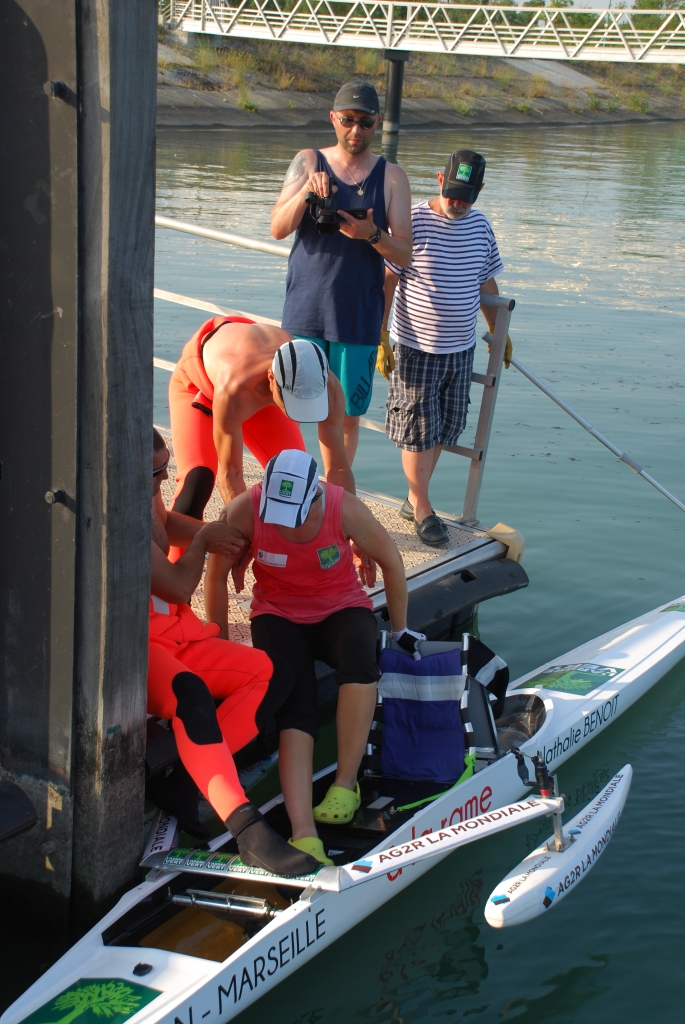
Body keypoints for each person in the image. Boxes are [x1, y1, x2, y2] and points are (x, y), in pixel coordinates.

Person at [204, 448, 425, 867]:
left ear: (315, 499)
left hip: (341, 607)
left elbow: (392, 563)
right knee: (295, 704)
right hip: (277, 614)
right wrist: (216, 642)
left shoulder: (345, 508)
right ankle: (303, 832)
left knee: (360, 665)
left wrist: (400, 630)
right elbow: (215, 576)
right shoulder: (245, 509)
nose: (281, 523)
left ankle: (346, 783)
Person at [148, 429, 319, 877]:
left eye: (166, 466)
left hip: (179, 631)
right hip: (138, 645)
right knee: (191, 695)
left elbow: (165, 524)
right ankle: (247, 829)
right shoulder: (111, 511)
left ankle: (189, 780)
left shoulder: (145, 495)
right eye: (155, 472)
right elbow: (179, 584)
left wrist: (216, 532)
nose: (165, 477)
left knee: (273, 675)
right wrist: (205, 544)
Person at [270, 81, 412, 463]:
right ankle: (294, 488)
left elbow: (405, 251)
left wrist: (372, 235)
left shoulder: (392, 177)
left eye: (365, 122)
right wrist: (306, 194)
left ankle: (336, 498)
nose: (356, 131)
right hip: (305, 311)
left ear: (377, 122)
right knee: (291, 410)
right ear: (333, 118)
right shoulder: (308, 161)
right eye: (347, 120)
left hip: (358, 316)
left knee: (346, 417)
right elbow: (278, 228)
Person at [382, 150, 511, 547]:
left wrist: (498, 331)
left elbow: (486, 282)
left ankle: (413, 499)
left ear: (480, 192)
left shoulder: (481, 227)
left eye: (466, 197)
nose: (457, 203)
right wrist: (379, 336)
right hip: (417, 345)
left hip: (460, 348)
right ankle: (422, 508)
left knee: (445, 425)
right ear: (440, 179)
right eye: (452, 193)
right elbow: (388, 279)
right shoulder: (414, 220)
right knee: (419, 429)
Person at [169, 320, 354, 511]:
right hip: (198, 385)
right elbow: (231, 473)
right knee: (197, 481)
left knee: (297, 481)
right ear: (272, 379)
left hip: (262, 387)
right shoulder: (234, 389)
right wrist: (244, 534)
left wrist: (351, 530)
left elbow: (338, 468)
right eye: (294, 405)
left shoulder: (329, 387)